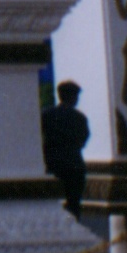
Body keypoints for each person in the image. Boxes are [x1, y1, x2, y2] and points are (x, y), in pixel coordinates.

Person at [40, 80, 90, 218]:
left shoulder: (46, 115)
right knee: (74, 204)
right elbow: (83, 140)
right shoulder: (80, 118)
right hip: (74, 164)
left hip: (52, 163)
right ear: (73, 97)